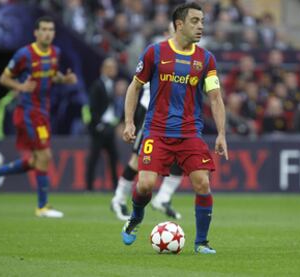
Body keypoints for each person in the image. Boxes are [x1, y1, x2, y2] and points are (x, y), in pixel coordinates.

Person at [121, 2, 228, 254]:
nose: (200, 26)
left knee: (202, 183)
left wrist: (222, 133)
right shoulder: (155, 52)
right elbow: (134, 87)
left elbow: (215, 97)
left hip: (190, 133)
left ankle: (201, 242)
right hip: (156, 131)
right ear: (179, 24)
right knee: (145, 185)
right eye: (195, 21)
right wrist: (128, 122)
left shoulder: (206, 59)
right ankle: (136, 217)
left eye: (202, 21)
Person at [0, 16, 77, 218]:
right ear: (35, 32)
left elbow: (52, 75)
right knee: (45, 156)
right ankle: (42, 207)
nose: (47, 33)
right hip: (27, 112)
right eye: (43, 29)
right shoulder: (24, 54)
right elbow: (3, 78)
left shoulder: (55, 53)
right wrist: (21, 87)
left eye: (51, 29)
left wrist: (64, 78)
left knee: (35, 160)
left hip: (42, 113)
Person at [111, 23, 183, 221]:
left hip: (175, 115)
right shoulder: (156, 51)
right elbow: (137, 84)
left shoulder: (190, 54)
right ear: (168, 32)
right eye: (174, 29)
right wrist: (129, 120)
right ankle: (118, 199)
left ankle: (163, 198)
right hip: (150, 112)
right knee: (137, 161)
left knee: (181, 159)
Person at [86, 57, 121, 192]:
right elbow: (92, 107)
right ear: (104, 69)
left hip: (109, 127)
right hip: (99, 128)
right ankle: (89, 188)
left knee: (113, 158)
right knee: (94, 158)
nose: (114, 70)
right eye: (111, 68)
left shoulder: (113, 85)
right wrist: (98, 125)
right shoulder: (97, 85)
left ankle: (116, 187)